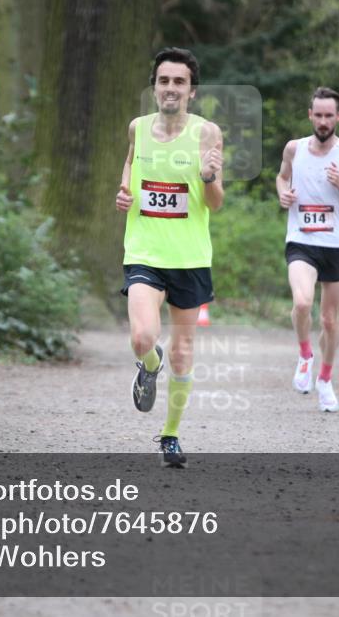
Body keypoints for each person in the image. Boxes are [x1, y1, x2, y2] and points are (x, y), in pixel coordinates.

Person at [115, 47, 224, 466]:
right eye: (164, 81)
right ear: (155, 86)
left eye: (179, 82)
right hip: (144, 249)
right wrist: (125, 191)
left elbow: (215, 203)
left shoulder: (207, 134)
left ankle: (171, 435)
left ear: (191, 91)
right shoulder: (137, 128)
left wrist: (209, 176)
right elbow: (129, 164)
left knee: (182, 351)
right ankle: (149, 363)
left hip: (190, 257)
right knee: (143, 336)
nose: (171, 89)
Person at [276, 87, 339, 412]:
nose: (323, 121)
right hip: (301, 239)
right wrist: (283, 194)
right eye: (318, 115)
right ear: (310, 115)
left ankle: (325, 380)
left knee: (330, 320)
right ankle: (305, 355)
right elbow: (281, 177)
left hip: (337, 245)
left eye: (329, 115)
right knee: (302, 302)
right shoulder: (294, 148)